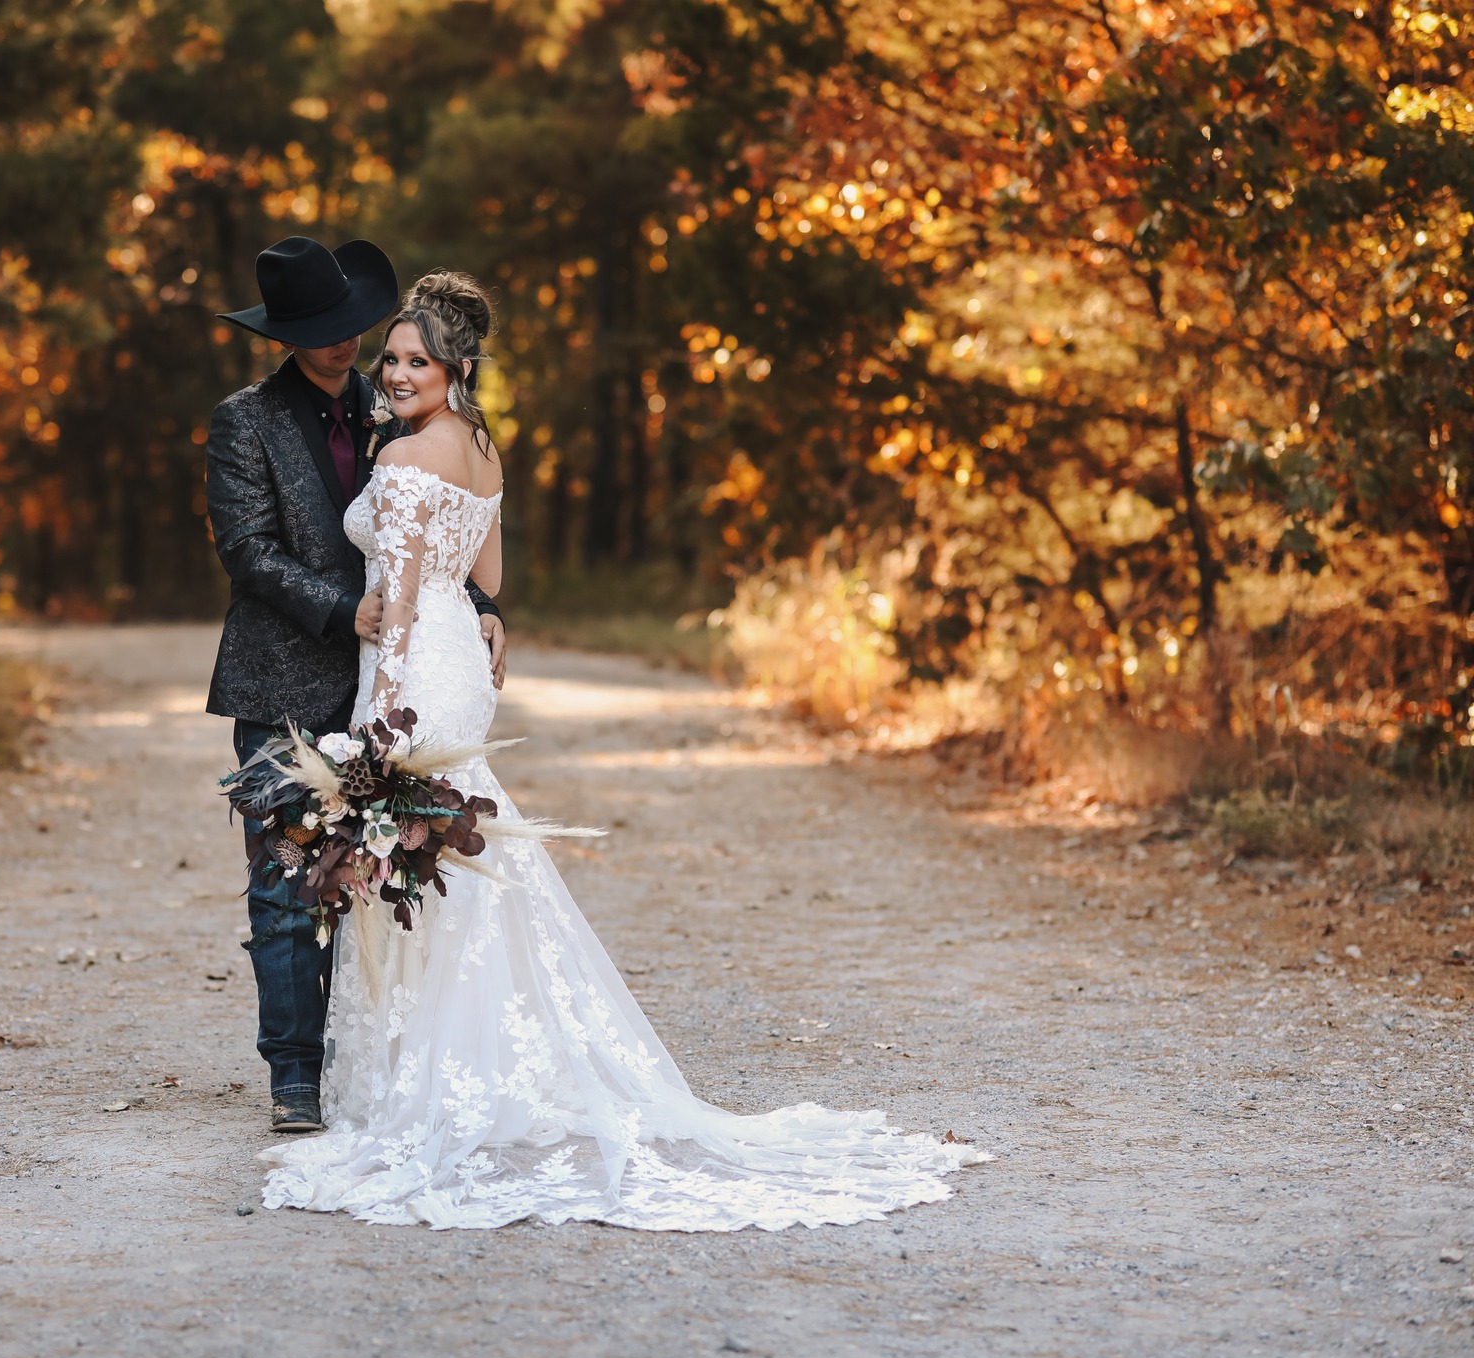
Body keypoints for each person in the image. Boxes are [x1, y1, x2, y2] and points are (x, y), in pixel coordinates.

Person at [259, 270, 990, 1229]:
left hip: (407, 673)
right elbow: (491, 571)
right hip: (461, 661)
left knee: (413, 862)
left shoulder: (400, 464)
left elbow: (392, 606)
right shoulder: (479, 445)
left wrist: (377, 728)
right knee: (459, 855)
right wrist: (474, 623)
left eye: (415, 361)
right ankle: (482, 1062)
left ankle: (427, 1083)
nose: (395, 374)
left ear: (455, 366)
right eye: (391, 359)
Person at [206, 237, 506, 1134]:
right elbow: (247, 552)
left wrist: (485, 606)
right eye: (319, 333)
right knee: (284, 878)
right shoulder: (244, 423)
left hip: (392, 683)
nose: (344, 346)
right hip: (285, 679)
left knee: (384, 876)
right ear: (285, 337)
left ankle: (368, 1060)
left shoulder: (402, 418)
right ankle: (294, 1073)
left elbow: (442, 534)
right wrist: (349, 612)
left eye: (351, 329)